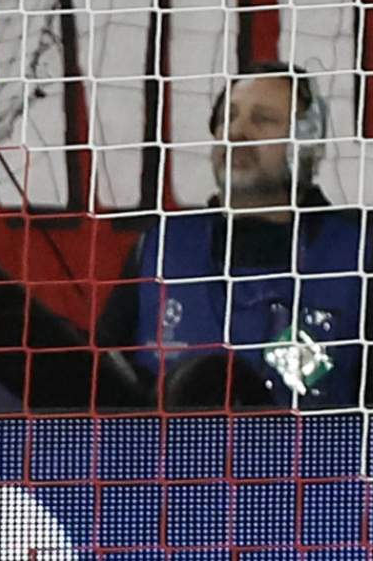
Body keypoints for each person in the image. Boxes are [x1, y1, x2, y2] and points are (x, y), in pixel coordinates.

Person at [98, 63, 370, 409]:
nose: (237, 132)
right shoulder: (161, 249)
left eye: (264, 120)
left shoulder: (359, 255)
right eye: (229, 118)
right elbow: (101, 395)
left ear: (308, 143)